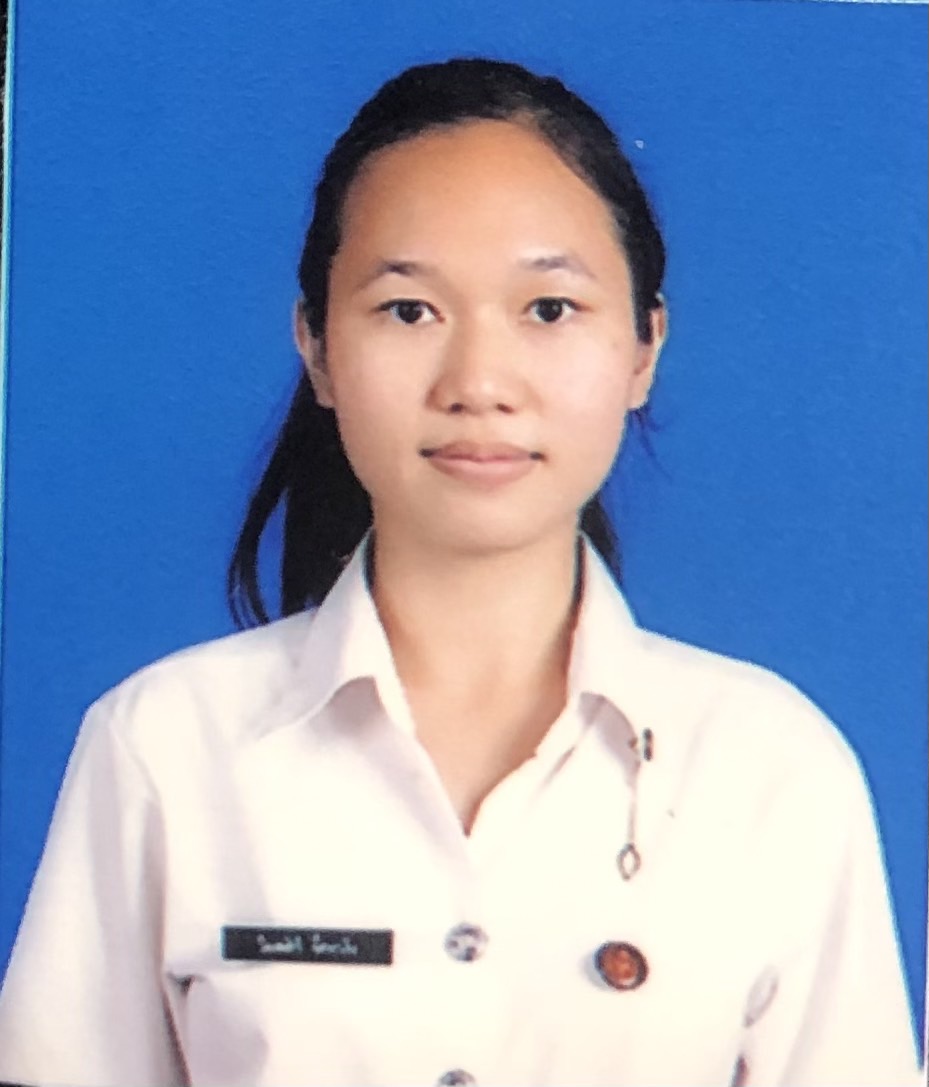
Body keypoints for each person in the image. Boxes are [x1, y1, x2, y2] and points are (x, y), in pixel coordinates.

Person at [0, 58, 919, 1087]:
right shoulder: (164, 748)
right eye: (407, 310)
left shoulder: (771, 768)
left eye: (549, 308)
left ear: (642, 347)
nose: (478, 383)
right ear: (316, 347)